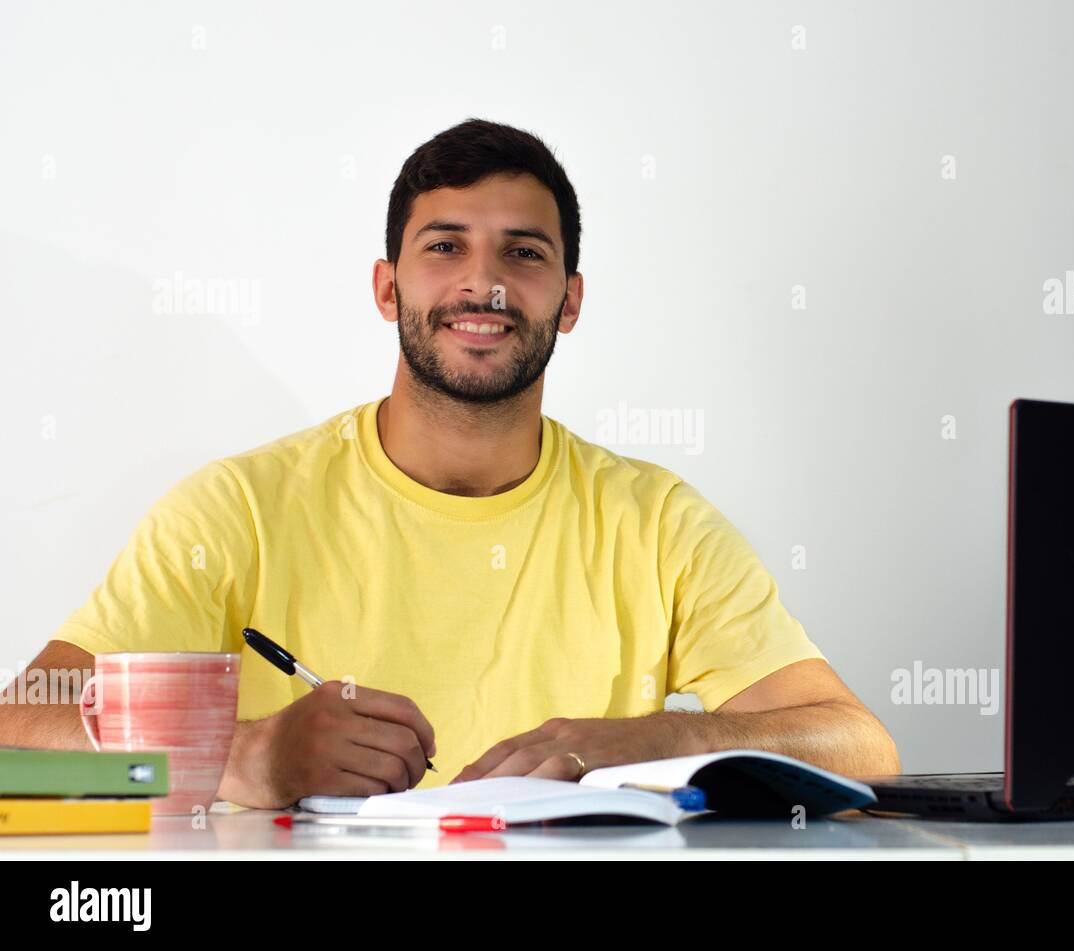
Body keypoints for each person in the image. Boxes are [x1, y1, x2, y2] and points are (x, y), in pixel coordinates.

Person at [0, 118, 900, 809]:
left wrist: (645, 740)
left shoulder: (657, 522)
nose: (486, 283)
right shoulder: (235, 510)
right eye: (445, 246)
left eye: (524, 252)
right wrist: (244, 755)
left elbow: (859, 743)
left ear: (570, 299)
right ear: (388, 286)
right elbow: (14, 739)